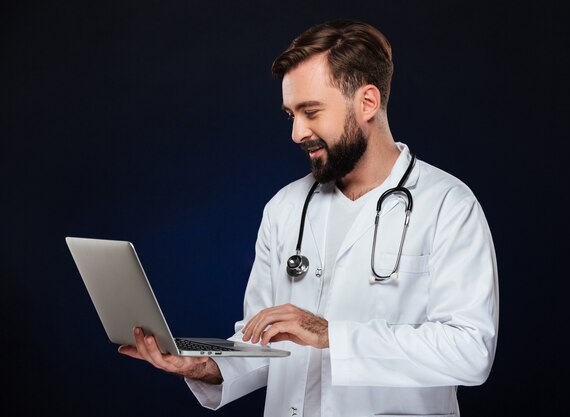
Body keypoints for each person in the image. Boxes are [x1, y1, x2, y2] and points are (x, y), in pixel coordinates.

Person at [119, 19, 499, 417]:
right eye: (291, 115)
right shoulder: (285, 208)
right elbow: (263, 344)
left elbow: (470, 351)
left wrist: (330, 335)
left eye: (311, 111)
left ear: (367, 102)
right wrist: (203, 367)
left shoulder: (448, 206)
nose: (297, 132)